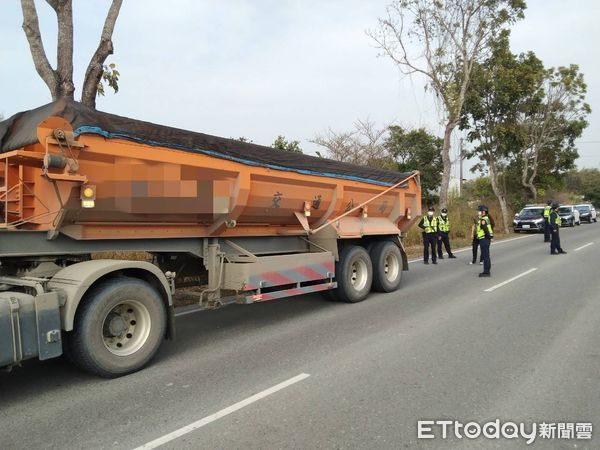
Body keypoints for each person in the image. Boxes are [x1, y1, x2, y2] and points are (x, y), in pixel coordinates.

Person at [476, 204, 493, 277]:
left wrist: (489, 237)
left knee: (485, 256)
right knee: (486, 256)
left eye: (479, 211)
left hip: (484, 239)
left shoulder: (483, 220)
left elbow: (486, 230)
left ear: (483, 212)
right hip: (486, 239)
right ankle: (487, 271)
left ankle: (486, 272)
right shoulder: (486, 218)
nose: (478, 212)